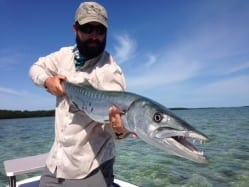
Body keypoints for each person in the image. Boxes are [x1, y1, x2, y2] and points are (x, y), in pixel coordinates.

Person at [29, 2, 130, 187]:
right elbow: (35, 68)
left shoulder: (111, 71)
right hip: (55, 164)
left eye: (100, 30)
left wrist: (121, 131)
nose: (94, 35)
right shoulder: (63, 55)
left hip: (91, 168)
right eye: (87, 28)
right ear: (75, 29)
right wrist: (47, 81)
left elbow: (117, 130)